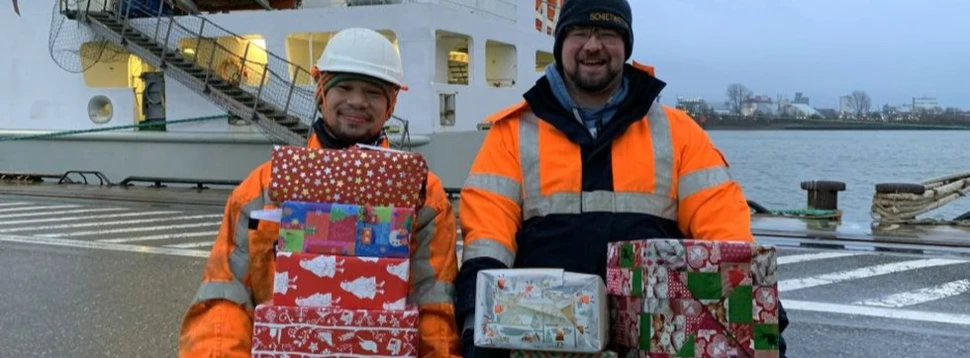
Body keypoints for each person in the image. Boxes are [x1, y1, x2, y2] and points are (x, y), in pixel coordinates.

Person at [455, 0, 789, 356]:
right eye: (580, 32)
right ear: (560, 45)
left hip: (655, 344)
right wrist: (477, 322)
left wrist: (761, 323)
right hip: (539, 344)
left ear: (626, 46)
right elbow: (487, 242)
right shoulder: (511, 134)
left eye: (608, 33)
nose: (593, 45)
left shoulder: (680, 135)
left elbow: (726, 238)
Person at [178, 27, 461, 358]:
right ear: (320, 91)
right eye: (343, 86)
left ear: (391, 103)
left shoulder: (423, 196)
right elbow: (226, 299)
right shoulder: (263, 189)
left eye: (373, 92)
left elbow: (435, 307)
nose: (356, 101)